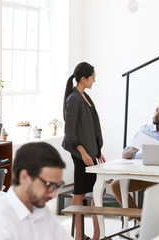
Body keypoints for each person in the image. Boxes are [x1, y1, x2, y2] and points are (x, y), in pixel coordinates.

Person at [0, 142, 72, 240]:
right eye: (49, 185)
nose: (54, 194)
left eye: (57, 186)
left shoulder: (42, 212)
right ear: (24, 176)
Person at [111, 101, 159, 209]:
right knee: (116, 185)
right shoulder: (144, 130)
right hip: (146, 176)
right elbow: (125, 155)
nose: (156, 114)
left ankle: (153, 218)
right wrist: (132, 150)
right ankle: (138, 217)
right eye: (157, 110)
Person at [62, 62, 105, 240]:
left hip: (89, 153)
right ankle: (80, 237)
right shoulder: (74, 99)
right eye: (92, 77)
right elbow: (69, 133)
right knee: (80, 194)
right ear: (83, 78)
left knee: (97, 191)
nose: (94, 80)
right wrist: (84, 153)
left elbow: (91, 127)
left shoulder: (84, 96)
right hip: (81, 155)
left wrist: (97, 152)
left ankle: (96, 235)